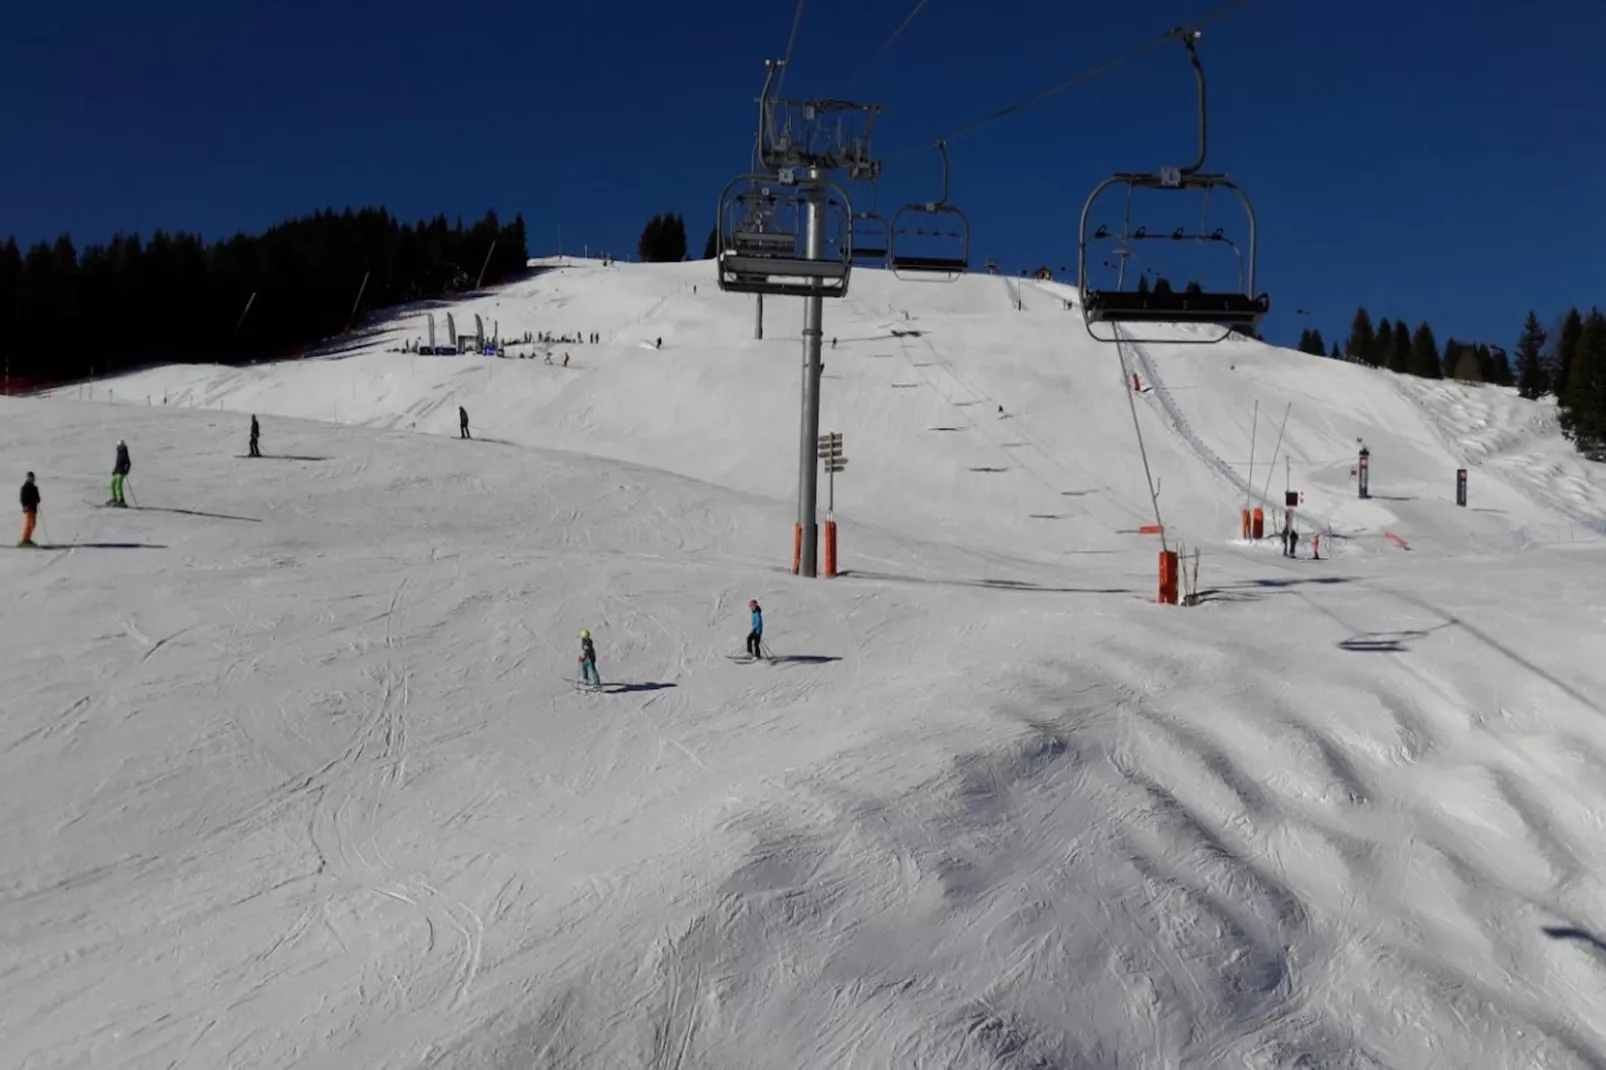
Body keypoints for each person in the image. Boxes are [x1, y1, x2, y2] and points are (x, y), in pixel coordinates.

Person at [19, 472, 39, 547]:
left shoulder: (34, 488)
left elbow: (38, 497)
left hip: (33, 508)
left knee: (33, 524)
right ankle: (24, 539)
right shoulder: (25, 487)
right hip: (28, 508)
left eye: (32, 478)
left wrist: (38, 499)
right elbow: (22, 498)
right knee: (28, 524)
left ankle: (28, 538)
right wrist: (24, 505)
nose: (32, 479)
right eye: (30, 478)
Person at [109, 439, 131, 507]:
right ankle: (114, 498)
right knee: (112, 484)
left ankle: (121, 500)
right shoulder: (119, 452)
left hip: (121, 473)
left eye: (119, 446)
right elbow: (118, 463)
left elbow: (128, 463)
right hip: (117, 472)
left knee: (118, 486)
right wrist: (114, 471)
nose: (118, 447)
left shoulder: (124, 453)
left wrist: (126, 471)